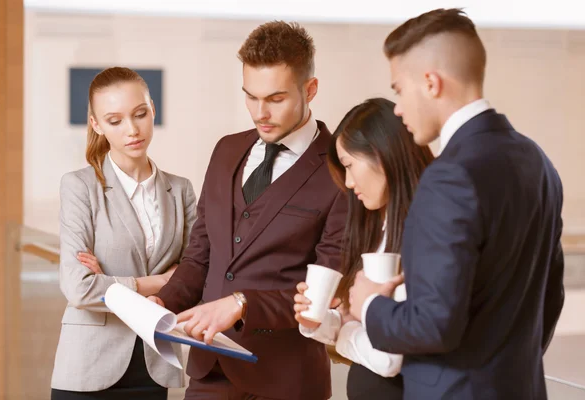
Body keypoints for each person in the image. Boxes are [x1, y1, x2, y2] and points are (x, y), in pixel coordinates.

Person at [348, 8, 565, 400]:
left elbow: (433, 325)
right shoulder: (537, 161)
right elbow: (551, 297)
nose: (397, 107)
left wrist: (369, 305)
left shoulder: (449, 176)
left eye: (398, 89)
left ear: (431, 83)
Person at [147, 21, 347, 400]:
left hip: (287, 381)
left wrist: (243, 304)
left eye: (275, 98)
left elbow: (329, 291)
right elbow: (200, 254)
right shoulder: (226, 151)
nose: (260, 113)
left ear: (311, 89)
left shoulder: (341, 168)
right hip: (208, 371)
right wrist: (165, 301)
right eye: (250, 97)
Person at [50, 66, 197, 399]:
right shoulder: (79, 187)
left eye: (140, 114)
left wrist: (111, 283)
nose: (132, 130)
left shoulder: (181, 190)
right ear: (97, 125)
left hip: (154, 362)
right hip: (88, 364)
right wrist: (157, 282)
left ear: (152, 110)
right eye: (115, 121)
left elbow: (195, 277)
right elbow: (78, 288)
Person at [293, 98, 434, 400]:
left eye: (349, 166)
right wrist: (316, 322)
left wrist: (344, 333)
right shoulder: (379, 227)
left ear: (383, 155)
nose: (347, 182)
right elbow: (365, 322)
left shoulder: (424, 232)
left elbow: (389, 357)